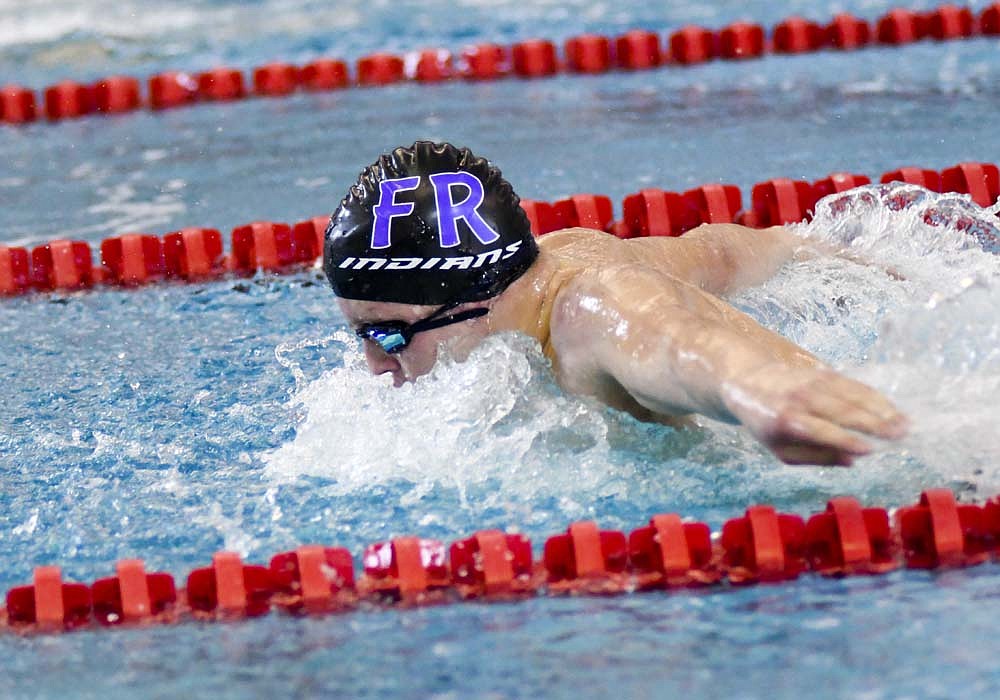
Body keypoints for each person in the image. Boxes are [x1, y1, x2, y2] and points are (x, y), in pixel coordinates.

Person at [324, 141, 908, 467]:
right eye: (363, 335)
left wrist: (755, 388)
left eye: (390, 335)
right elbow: (715, 252)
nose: (377, 367)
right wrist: (803, 247)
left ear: (478, 300)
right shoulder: (565, 252)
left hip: (875, 449)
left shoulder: (589, 310)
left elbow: (675, 343)